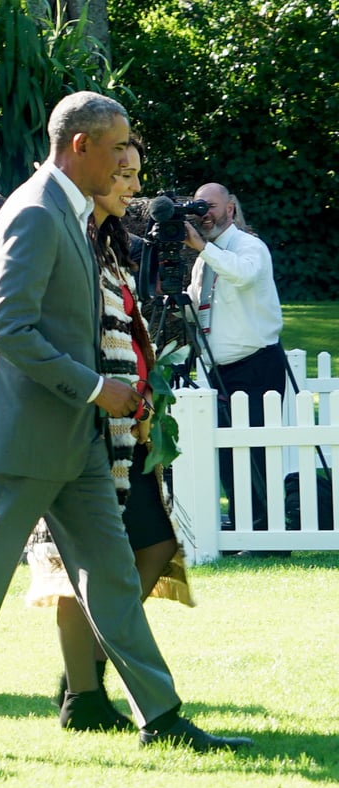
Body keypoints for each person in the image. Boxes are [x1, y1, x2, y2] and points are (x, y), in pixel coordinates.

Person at [0, 91, 253, 757]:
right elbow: (9, 332)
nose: (127, 161)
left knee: (114, 576)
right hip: (25, 439)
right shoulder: (34, 213)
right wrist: (96, 388)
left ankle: (162, 716)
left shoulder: (71, 212)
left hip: (73, 438)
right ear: (80, 146)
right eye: (117, 147)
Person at [24, 135, 194, 732]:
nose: (136, 188)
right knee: (76, 565)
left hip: (128, 425)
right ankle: (83, 696)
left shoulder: (112, 244)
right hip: (82, 423)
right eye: (126, 176)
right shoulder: (64, 235)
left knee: (152, 547)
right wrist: (102, 396)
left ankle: (85, 679)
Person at [183, 182, 286, 544]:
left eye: (209, 206)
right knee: (227, 454)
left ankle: (267, 536)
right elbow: (196, 310)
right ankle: (243, 527)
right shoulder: (204, 260)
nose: (203, 214)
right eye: (197, 208)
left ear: (230, 208)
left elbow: (242, 275)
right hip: (220, 371)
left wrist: (203, 249)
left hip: (256, 365)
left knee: (256, 453)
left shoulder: (248, 246)